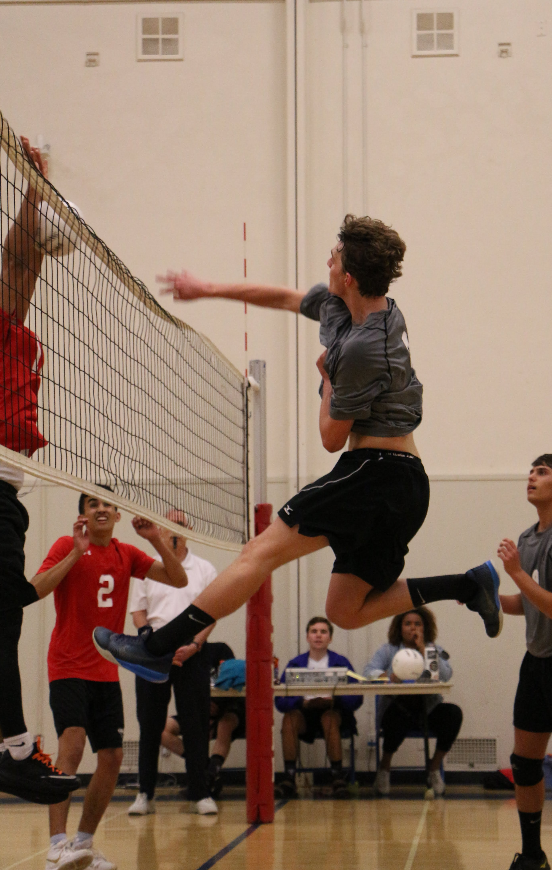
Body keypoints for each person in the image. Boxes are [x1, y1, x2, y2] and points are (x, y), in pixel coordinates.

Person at [93, 214, 502, 682]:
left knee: (257, 555)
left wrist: (326, 379)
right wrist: (206, 288)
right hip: (401, 485)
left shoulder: (364, 348)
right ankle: (468, 585)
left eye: (334, 255)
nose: (327, 259)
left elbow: (330, 438)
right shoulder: (354, 305)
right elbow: (285, 297)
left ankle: (158, 648)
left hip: (376, 474)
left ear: (348, 275)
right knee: (346, 611)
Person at [32, 492, 186, 870]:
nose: (101, 509)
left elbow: (178, 579)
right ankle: (56, 846)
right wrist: (74, 554)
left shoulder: (126, 554)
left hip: (105, 669)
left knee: (113, 756)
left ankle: (83, 843)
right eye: (92, 504)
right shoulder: (68, 545)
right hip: (67, 664)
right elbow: (35, 588)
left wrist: (154, 538)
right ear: (83, 515)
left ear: (117, 514)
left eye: (107, 504)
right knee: (72, 743)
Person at [0, 137, 82, 806]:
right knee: (5, 616)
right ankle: (14, 750)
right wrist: (33, 187)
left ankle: (14, 749)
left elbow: (22, 269)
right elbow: (16, 259)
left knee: (5, 614)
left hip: (7, 492)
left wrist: (37, 187)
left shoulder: (13, 334)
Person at [127, 514, 219, 817]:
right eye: (170, 524)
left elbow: (213, 613)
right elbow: (138, 611)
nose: (177, 531)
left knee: (195, 724)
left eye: (183, 525)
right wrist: (149, 642)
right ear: (160, 530)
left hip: (191, 652)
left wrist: (195, 644)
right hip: (154, 653)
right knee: (150, 723)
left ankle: (200, 793)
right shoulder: (147, 567)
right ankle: (145, 793)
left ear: (189, 532)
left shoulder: (204, 569)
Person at [496, 454, 552, 870]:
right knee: (525, 764)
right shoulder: (528, 538)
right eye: (531, 471)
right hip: (537, 665)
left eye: (543, 471)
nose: (531, 477)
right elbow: (530, 605)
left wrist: (516, 573)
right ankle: (533, 856)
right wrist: (487, 598)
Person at [364, 606, 462, 796]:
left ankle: (433, 768)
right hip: (399, 708)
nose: (412, 628)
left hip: (428, 708)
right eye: (408, 624)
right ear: (400, 627)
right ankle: (384, 768)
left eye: (417, 624)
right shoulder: (388, 649)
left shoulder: (433, 649)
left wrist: (425, 650)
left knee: (453, 714)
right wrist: (389, 676)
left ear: (424, 628)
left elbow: (446, 674)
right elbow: (368, 672)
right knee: (395, 716)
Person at [274, 616, 362, 799]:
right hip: (304, 713)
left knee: (328, 718)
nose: (318, 635)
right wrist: (301, 703)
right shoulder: (295, 664)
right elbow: (280, 701)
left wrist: (335, 701)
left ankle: (337, 777)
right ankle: (289, 778)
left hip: (333, 712)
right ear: (307, 637)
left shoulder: (341, 662)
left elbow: (357, 697)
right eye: (314, 631)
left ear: (330, 638)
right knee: (288, 719)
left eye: (323, 632)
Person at [159, 641, 246, 799]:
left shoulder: (220, 650)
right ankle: (206, 768)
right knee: (161, 729)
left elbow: (232, 681)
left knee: (225, 724)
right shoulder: (181, 655)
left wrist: (216, 707)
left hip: (227, 709)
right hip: (198, 710)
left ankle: (209, 775)